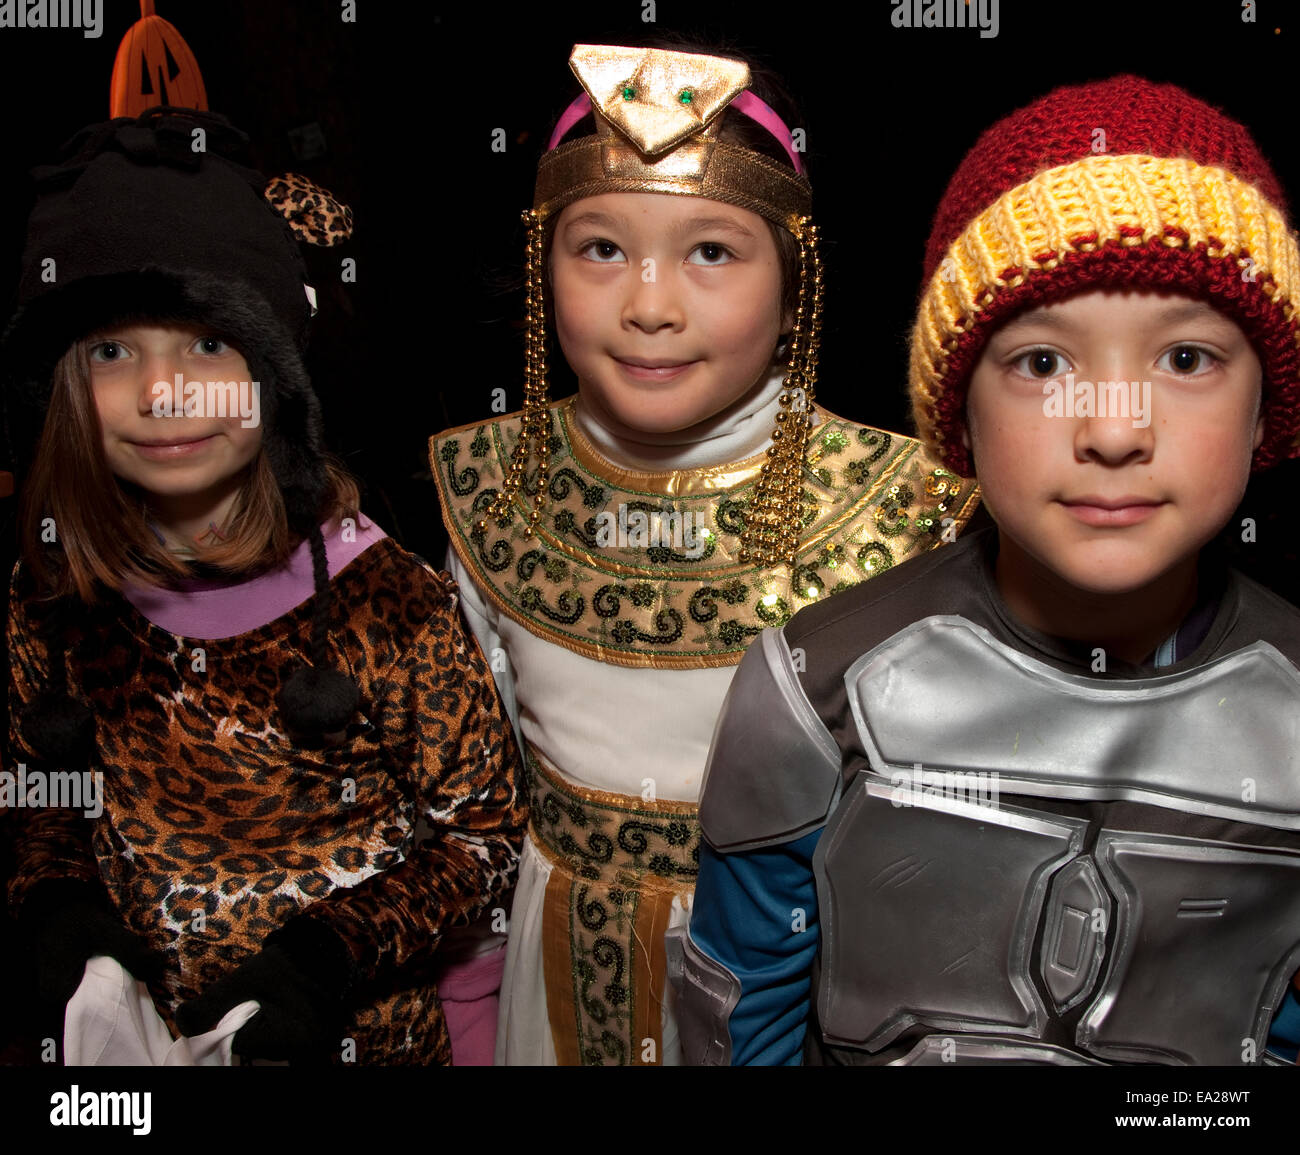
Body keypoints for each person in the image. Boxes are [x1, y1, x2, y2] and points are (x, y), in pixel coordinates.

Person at [672, 74, 1300, 1066]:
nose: (1112, 430)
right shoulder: (811, 689)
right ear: (956, 411)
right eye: (1043, 365)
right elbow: (738, 1020)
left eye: (1185, 360)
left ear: (1266, 411)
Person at [429, 41, 979, 1066]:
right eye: (601, 249)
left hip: (798, 986)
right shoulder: (482, 487)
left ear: (795, 277)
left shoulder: (911, 511)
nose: (649, 305)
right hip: (551, 990)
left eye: (712, 253)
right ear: (540, 261)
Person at [2, 108, 525, 1065]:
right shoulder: (53, 588)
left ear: (275, 374)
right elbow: (46, 793)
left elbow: (485, 839)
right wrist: (65, 920)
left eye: (209, 344)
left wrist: (319, 958)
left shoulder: (388, 602)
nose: (166, 391)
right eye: (114, 350)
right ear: (65, 384)